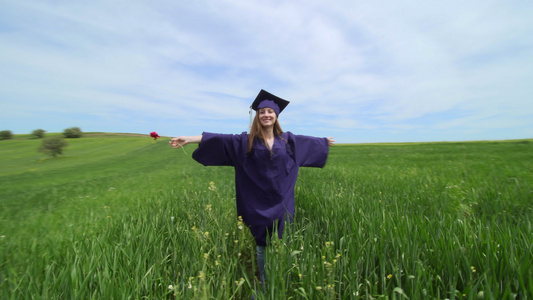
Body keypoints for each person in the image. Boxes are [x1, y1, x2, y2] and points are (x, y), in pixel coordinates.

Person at [169, 89, 335, 284]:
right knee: (262, 245)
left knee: (284, 242)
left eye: (270, 112)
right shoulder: (244, 141)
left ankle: (281, 281)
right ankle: (265, 285)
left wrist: (323, 142)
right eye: (262, 111)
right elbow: (221, 140)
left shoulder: (289, 141)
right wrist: (189, 139)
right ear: (257, 116)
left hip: (282, 201)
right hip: (256, 202)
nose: (266, 115)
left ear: (276, 115)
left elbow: (309, 144)